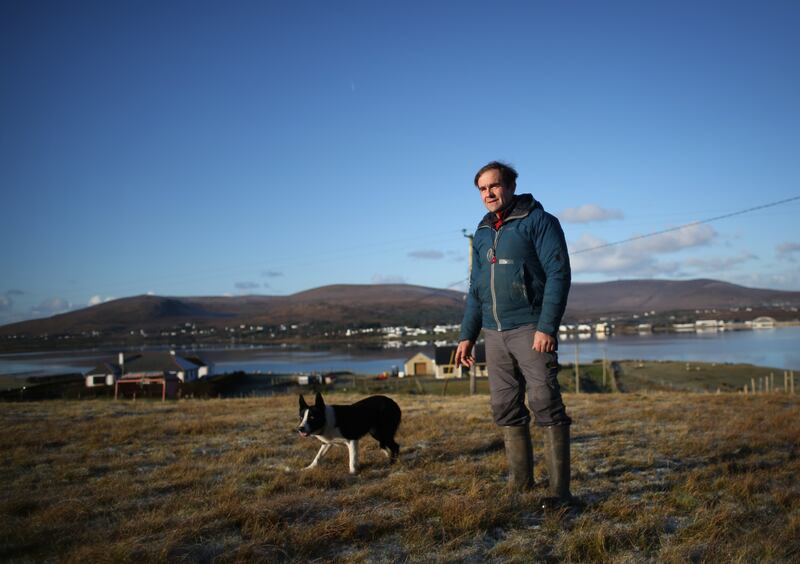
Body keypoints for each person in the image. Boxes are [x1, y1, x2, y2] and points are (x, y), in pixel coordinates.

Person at [454, 161, 573, 506]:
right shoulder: (481, 233)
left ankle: (559, 494)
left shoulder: (539, 221)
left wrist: (546, 327)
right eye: (482, 189)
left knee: (545, 402)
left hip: (531, 329)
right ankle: (521, 486)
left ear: (510, 185)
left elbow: (558, 275)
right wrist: (467, 335)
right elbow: (476, 288)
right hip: (494, 333)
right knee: (505, 406)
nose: (488, 194)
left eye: (494, 186)